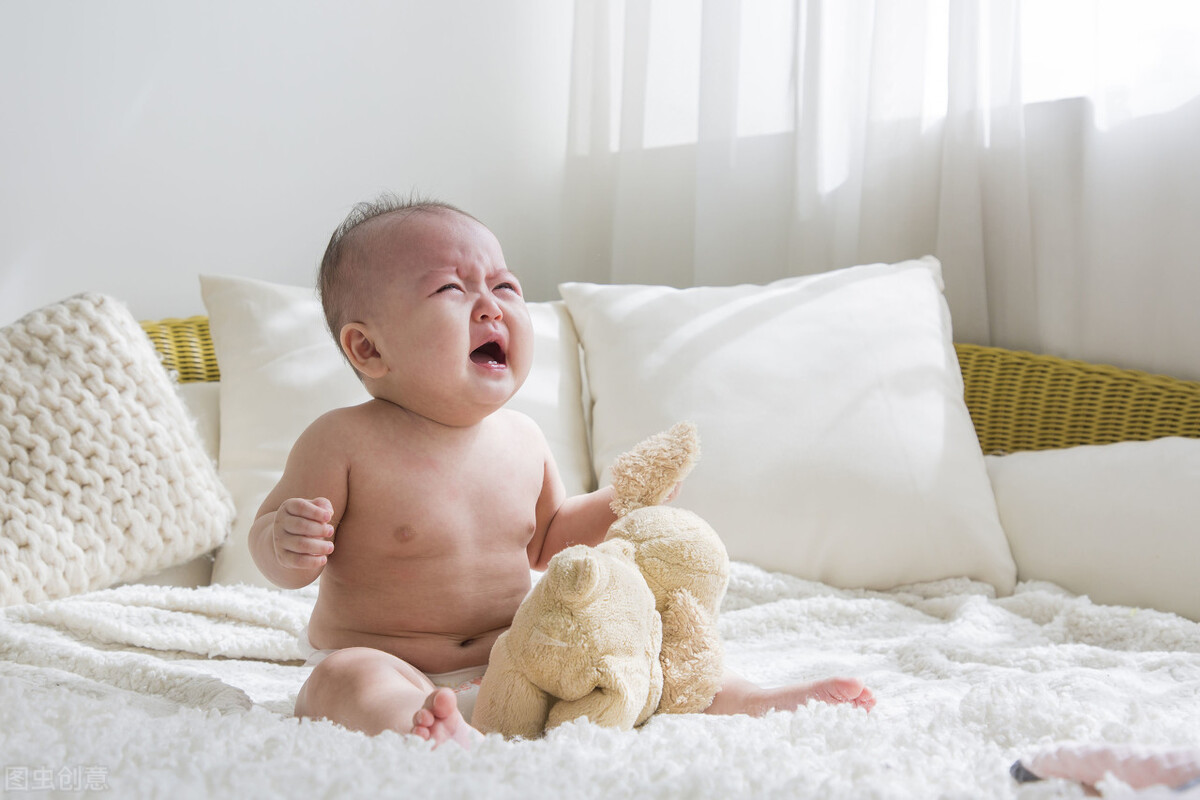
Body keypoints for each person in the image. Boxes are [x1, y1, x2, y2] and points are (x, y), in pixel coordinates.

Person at [249, 195, 875, 748]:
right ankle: (427, 729)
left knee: (638, 638)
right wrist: (286, 543)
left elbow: (550, 540)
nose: (491, 307)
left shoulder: (522, 438)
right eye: (450, 289)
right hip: (390, 658)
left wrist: (624, 500)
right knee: (340, 682)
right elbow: (272, 547)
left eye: (505, 286)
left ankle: (745, 698)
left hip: (518, 654)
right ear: (369, 348)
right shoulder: (342, 440)